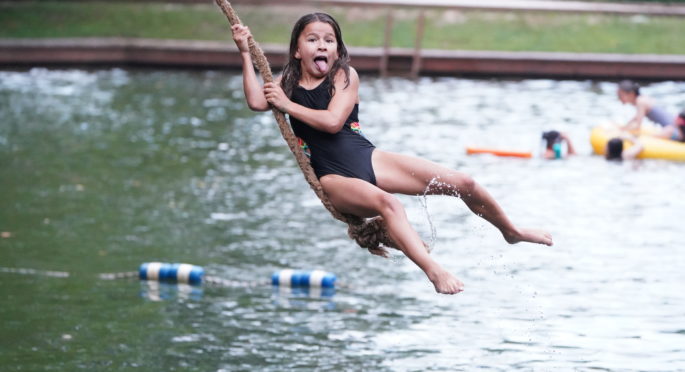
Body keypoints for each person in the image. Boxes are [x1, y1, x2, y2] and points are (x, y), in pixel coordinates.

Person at [231, 13, 553, 295]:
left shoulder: (344, 76)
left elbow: (332, 123)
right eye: (312, 39)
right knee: (389, 204)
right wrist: (245, 52)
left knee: (463, 182)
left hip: (366, 156)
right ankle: (433, 270)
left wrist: (287, 105)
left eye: (329, 40)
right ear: (298, 50)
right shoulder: (288, 81)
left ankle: (511, 231)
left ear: (338, 50)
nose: (321, 46)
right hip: (332, 175)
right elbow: (257, 101)